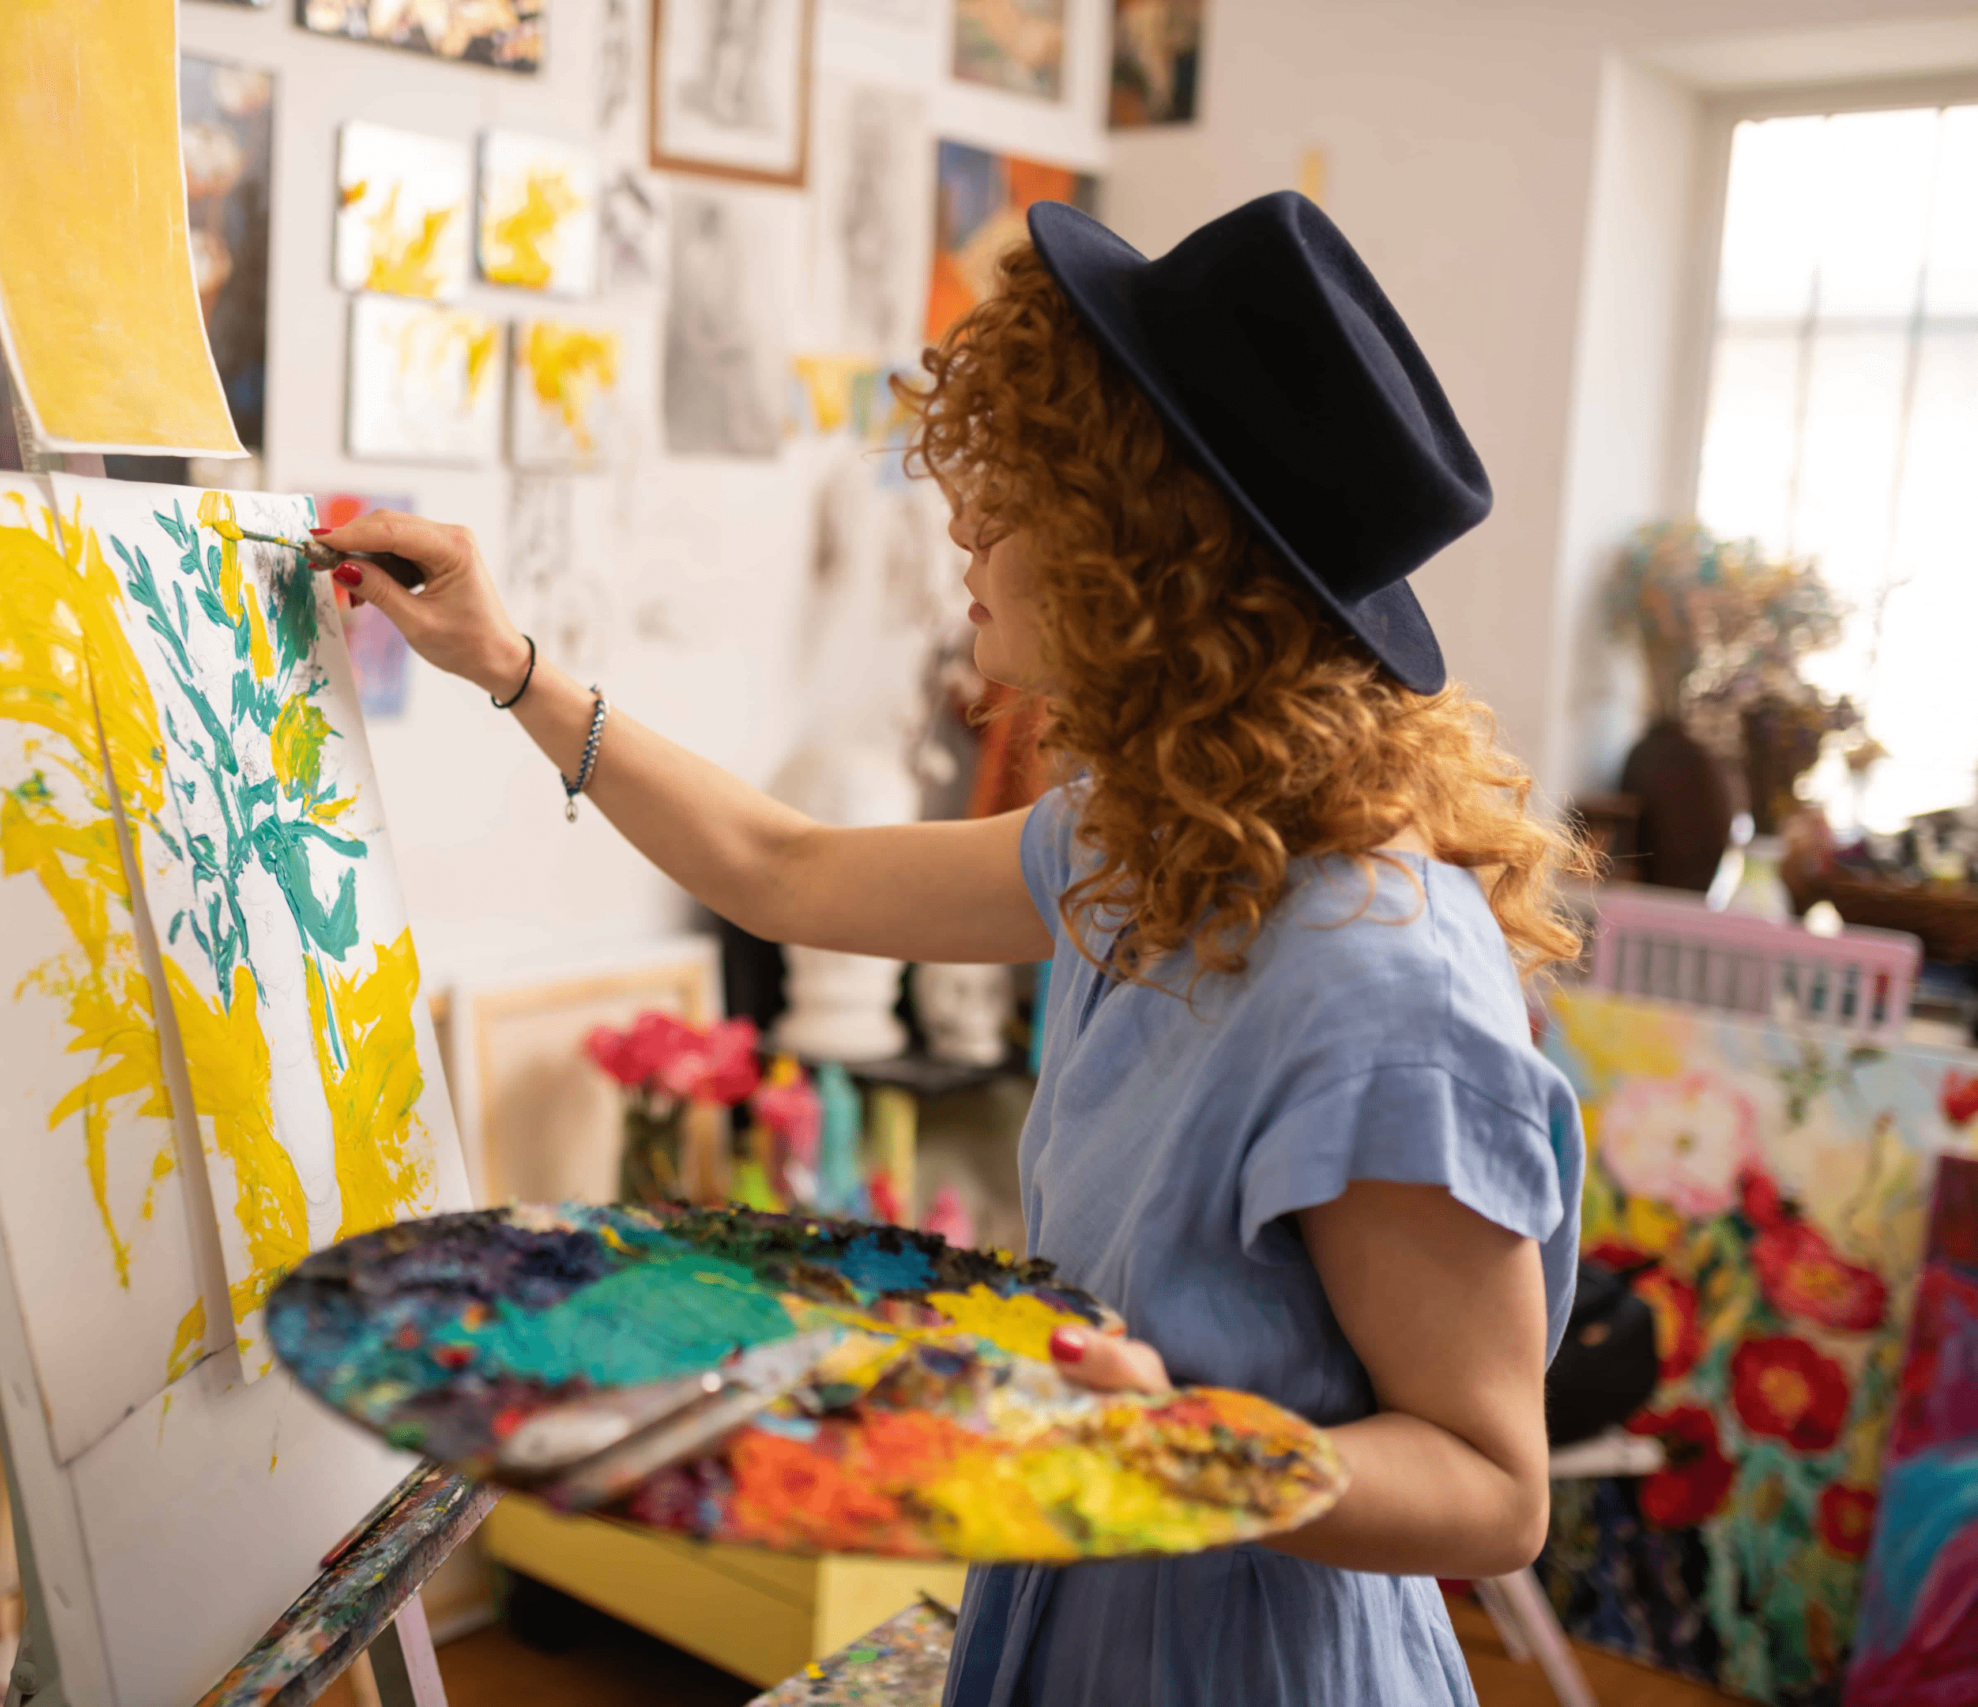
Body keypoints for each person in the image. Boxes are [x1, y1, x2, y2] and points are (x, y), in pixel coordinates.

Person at [315, 192, 1588, 1707]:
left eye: (1021, 490)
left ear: (1146, 554)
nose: (967, 526)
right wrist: (509, 666)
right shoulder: (1158, 837)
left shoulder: (1379, 981)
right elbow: (783, 869)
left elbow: (1495, 1482)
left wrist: (1189, 1446)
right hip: (1069, 1617)